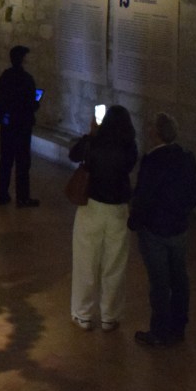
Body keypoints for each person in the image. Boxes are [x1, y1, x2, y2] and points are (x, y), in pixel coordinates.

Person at [130, 113, 196, 347]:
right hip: (178, 229)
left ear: (156, 133)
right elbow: (195, 195)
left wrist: (135, 221)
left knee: (160, 282)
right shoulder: (186, 157)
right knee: (179, 279)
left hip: (155, 231)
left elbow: (143, 197)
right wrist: (181, 213)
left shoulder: (152, 161)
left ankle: (160, 332)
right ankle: (178, 328)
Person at [68, 105, 139, 332]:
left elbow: (73, 154)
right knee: (114, 265)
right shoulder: (130, 147)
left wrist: (91, 134)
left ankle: (83, 314)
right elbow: (128, 166)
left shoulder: (94, 143)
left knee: (85, 262)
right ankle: (110, 316)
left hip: (92, 206)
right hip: (118, 210)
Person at [0, 45, 40, 208]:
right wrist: (36, 104)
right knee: (22, 162)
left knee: (5, 160)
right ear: (23, 59)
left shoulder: (5, 76)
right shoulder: (27, 79)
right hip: (22, 126)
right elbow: (31, 105)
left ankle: (3, 194)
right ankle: (22, 197)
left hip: (7, 124)